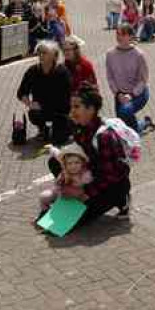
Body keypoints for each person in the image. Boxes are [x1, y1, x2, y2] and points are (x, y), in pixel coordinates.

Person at [55, 85, 132, 226]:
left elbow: (112, 175)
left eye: (77, 107)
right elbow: (81, 159)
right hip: (92, 174)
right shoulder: (80, 128)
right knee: (55, 161)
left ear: (91, 109)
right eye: (71, 107)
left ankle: (122, 200)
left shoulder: (104, 136)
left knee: (72, 223)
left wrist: (83, 193)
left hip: (113, 184)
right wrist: (69, 181)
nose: (72, 111)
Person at [17, 41, 73, 144]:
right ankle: (42, 129)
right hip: (40, 110)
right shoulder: (32, 71)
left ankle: (62, 128)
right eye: (39, 53)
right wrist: (30, 104)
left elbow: (67, 98)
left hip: (60, 110)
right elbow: (21, 92)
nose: (41, 55)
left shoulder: (62, 72)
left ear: (54, 56)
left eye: (45, 53)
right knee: (33, 113)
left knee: (59, 139)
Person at [105, 23, 152, 134]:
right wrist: (118, 94)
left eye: (123, 34)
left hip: (138, 94)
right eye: (117, 34)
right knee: (123, 127)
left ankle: (143, 123)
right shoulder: (110, 54)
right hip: (120, 95)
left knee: (125, 112)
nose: (119, 37)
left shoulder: (139, 55)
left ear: (131, 36)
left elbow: (143, 79)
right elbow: (110, 76)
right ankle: (145, 122)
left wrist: (131, 95)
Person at [38, 143, 92, 218]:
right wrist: (51, 148)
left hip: (76, 198)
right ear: (65, 164)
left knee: (77, 210)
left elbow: (89, 186)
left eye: (77, 162)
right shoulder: (64, 172)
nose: (73, 166)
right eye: (70, 163)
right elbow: (57, 154)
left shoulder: (85, 174)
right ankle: (45, 211)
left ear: (82, 163)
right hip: (61, 194)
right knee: (43, 197)